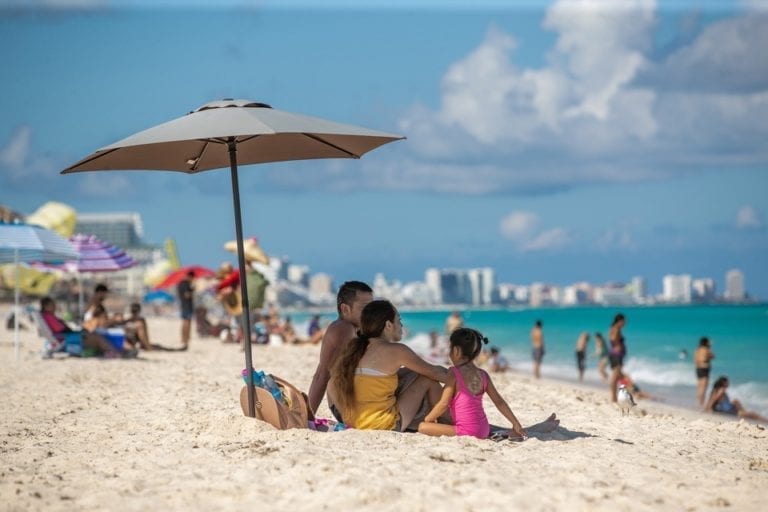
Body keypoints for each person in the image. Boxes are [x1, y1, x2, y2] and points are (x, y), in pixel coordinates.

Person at [329, 300, 448, 431]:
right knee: (427, 378)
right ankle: (449, 423)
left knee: (411, 372)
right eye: (399, 320)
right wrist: (466, 380)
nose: (401, 325)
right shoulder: (396, 350)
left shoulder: (354, 349)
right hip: (383, 424)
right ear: (388, 325)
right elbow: (435, 373)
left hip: (351, 420)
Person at [418, 328, 527, 440]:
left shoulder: (454, 372)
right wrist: (515, 423)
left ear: (456, 351)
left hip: (466, 430)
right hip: (484, 429)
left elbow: (444, 403)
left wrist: (429, 419)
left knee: (422, 427)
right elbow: (499, 402)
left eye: (450, 349)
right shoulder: (483, 375)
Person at [308, 281, 374, 417]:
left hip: (350, 403)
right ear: (345, 309)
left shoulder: (357, 329)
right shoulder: (342, 328)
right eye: (365, 308)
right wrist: (308, 416)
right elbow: (322, 374)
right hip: (347, 406)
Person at [40, 296, 118, 357]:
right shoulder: (49, 316)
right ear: (46, 306)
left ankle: (110, 351)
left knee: (94, 335)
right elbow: (60, 329)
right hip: (68, 339)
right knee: (97, 338)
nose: (55, 306)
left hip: (66, 337)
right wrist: (75, 331)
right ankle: (112, 351)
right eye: (52, 304)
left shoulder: (47, 316)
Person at [608, 313, 627, 402]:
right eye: (623, 321)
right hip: (616, 355)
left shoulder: (613, 328)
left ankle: (615, 397)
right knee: (615, 377)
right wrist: (618, 345)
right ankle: (613, 397)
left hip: (615, 355)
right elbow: (613, 339)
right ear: (619, 321)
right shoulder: (616, 329)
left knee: (617, 377)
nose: (625, 323)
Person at [694, 336, 715, 407]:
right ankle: (701, 403)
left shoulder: (698, 350)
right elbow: (713, 356)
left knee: (699, 386)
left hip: (698, 368)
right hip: (705, 368)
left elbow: (695, 360)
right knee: (704, 387)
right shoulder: (707, 349)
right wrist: (710, 347)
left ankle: (699, 402)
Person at [177, 270, 195, 350]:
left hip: (184, 305)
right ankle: (185, 339)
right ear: (190, 277)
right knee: (186, 322)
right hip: (186, 305)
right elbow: (187, 295)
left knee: (185, 322)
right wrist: (192, 290)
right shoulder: (185, 284)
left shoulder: (182, 283)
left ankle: (184, 339)